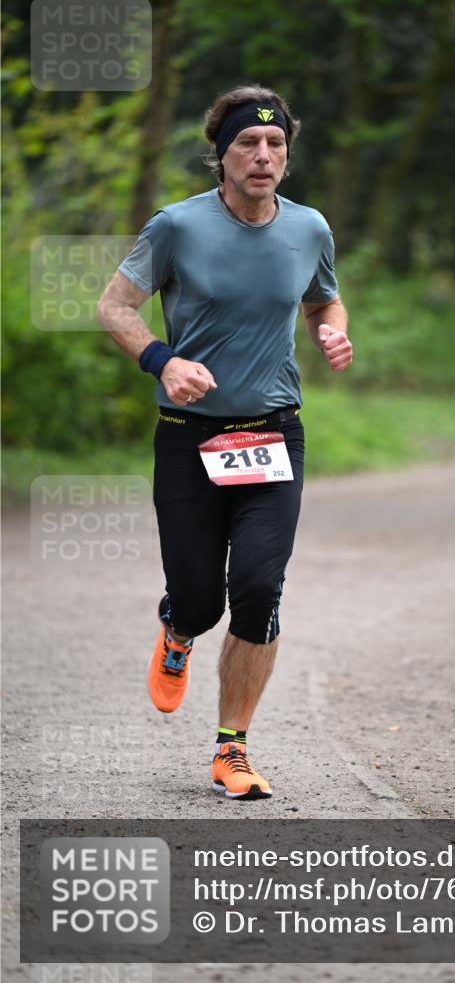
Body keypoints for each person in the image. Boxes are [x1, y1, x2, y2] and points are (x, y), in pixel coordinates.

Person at [97, 84, 353, 800]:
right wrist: (163, 361)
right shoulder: (177, 227)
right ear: (222, 154)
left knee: (260, 589)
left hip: (273, 434)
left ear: (287, 156)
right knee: (200, 600)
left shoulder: (309, 228)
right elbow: (114, 306)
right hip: (189, 440)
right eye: (248, 142)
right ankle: (178, 627)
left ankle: (231, 748)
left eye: (275, 143)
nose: (263, 155)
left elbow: (323, 298)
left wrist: (330, 330)